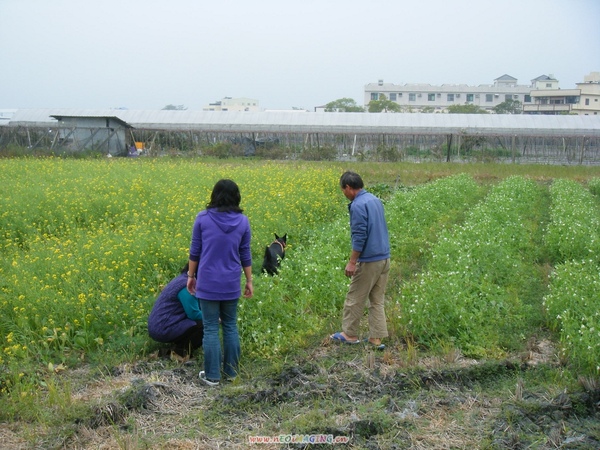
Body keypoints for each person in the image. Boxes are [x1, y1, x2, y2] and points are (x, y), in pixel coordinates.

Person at [187, 179, 253, 386]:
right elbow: (245, 253)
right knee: (231, 326)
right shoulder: (243, 221)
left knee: (210, 328)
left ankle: (212, 376)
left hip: (208, 282)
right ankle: (232, 373)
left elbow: (195, 252)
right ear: (236, 196)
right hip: (231, 282)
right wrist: (249, 280)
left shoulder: (202, 218)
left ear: (214, 195)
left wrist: (190, 276)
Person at [330, 171, 391, 350]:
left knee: (355, 297)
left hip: (370, 260)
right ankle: (375, 339)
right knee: (377, 300)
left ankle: (349, 334)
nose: (344, 194)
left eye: (343, 190)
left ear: (348, 187)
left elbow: (360, 236)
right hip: (384, 257)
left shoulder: (357, 205)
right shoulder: (374, 199)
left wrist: (352, 261)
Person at [147, 263, 204, 357]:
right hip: (163, 327)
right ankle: (178, 353)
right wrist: (216, 317)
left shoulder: (183, 278)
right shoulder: (187, 286)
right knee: (206, 325)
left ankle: (179, 346)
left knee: (203, 321)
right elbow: (194, 314)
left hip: (163, 324)